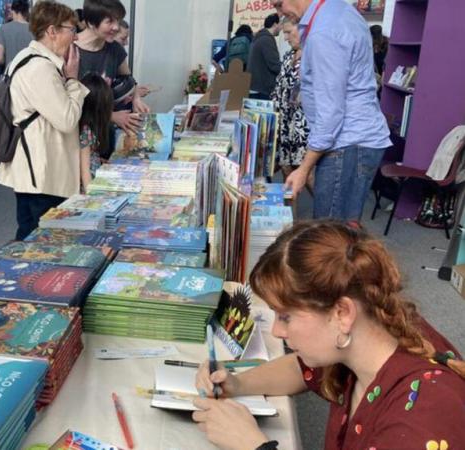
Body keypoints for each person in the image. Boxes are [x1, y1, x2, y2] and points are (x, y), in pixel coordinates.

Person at [193, 221, 465, 450]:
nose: (277, 331)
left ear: (342, 313)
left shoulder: (423, 417)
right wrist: (237, 384)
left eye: (285, 316)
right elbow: (303, 369)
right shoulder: (375, 329)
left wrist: (254, 445)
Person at [281, 0, 392, 223]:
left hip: (347, 143)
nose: (280, 12)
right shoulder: (339, 11)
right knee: (343, 229)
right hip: (356, 139)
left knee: (329, 235)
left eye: (278, 4)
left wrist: (303, 169)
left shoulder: (325, 31)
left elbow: (331, 113)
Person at [0, 1, 89, 240]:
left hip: (38, 170)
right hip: (42, 173)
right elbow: (67, 119)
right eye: (72, 30)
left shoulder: (28, 59)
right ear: (52, 31)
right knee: (39, 240)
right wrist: (73, 81)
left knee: (32, 235)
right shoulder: (39, 68)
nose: (75, 37)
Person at [76, 0, 149, 136]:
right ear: (91, 23)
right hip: (77, 134)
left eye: (118, 21)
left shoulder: (115, 49)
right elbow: (67, 102)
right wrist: (112, 116)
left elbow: (128, 80)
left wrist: (136, 98)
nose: (116, 27)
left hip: (104, 132)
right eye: (109, 22)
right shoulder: (70, 50)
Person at [271, 19, 312, 194]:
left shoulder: (313, 56)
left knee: (307, 174)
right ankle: (291, 218)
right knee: (287, 171)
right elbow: (279, 87)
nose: (286, 38)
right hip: (284, 123)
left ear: (302, 30)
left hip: (304, 125)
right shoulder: (288, 56)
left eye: (288, 32)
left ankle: (329, 218)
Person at [79, 73, 114, 191]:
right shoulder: (86, 130)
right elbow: (85, 171)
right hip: (88, 187)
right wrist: (91, 199)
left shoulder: (82, 126)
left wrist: (98, 161)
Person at [247, 14, 281, 100]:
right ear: (275, 24)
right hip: (262, 89)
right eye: (280, 25)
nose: (281, 28)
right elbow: (274, 65)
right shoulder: (267, 40)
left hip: (254, 86)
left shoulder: (258, 38)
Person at [0, 0, 32, 72]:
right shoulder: (35, 30)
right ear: (27, 12)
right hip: (30, 77)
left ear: (12, 11)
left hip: (11, 76)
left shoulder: (3, 29)